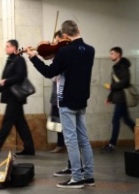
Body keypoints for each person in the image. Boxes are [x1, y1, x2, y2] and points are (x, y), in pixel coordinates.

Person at [26, 20, 95, 189]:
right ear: (79, 29)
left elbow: (50, 72)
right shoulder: (90, 50)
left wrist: (34, 58)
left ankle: (77, 178)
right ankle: (89, 176)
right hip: (82, 100)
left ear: (64, 36)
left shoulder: (65, 51)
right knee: (84, 139)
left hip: (67, 101)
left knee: (71, 140)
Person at [0, 39, 35, 156]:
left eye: (7, 46)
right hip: (12, 96)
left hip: (15, 98)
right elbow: (4, 81)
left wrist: (6, 81)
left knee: (7, 123)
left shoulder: (19, 60)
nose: (5, 48)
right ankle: (29, 148)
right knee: (21, 124)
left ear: (14, 48)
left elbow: (20, 76)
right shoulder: (10, 60)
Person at [101, 47, 135, 153]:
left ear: (118, 54)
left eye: (112, 54)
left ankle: (112, 144)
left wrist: (111, 87)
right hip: (119, 97)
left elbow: (125, 81)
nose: (110, 56)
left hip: (122, 98)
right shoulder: (116, 66)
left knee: (116, 120)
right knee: (127, 120)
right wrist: (110, 97)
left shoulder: (122, 66)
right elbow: (115, 83)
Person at [50, 30, 66, 153]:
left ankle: (64, 144)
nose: (55, 44)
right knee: (57, 121)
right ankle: (60, 143)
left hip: (63, 93)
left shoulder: (64, 54)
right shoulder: (58, 56)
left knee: (65, 121)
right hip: (56, 93)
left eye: (57, 41)